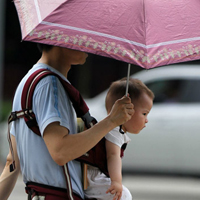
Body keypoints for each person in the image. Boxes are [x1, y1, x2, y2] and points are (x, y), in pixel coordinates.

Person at [0, 44, 134, 200]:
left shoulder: (26, 83)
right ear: (61, 41)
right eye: (82, 40)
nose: (89, 46)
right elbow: (60, 151)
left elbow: (12, 163)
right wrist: (111, 121)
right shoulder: (50, 85)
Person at [84, 78, 154, 200]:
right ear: (126, 109)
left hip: (100, 175)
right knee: (124, 195)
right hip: (94, 178)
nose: (146, 120)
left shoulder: (116, 130)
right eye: (144, 114)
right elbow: (113, 155)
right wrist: (116, 181)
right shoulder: (114, 130)